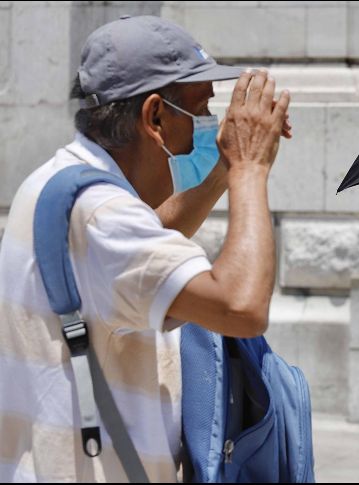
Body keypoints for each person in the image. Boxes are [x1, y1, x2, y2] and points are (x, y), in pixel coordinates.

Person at [0, 16, 291, 482]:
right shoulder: (103, 218)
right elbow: (241, 306)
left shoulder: (60, 183)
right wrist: (249, 168)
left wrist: (220, 172)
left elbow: (145, 241)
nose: (212, 126)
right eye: (201, 110)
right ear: (155, 116)